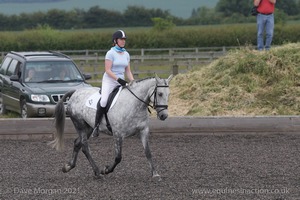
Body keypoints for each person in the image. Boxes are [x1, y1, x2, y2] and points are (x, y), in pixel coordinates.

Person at [92, 30, 134, 137]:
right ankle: (96, 126)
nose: (123, 41)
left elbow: (128, 71)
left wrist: (133, 82)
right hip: (109, 81)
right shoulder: (110, 53)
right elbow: (107, 70)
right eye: (121, 39)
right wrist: (118, 79)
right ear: (115, 40)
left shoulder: (126, 54)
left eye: (124, 39)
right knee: (104, 101)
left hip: (121, 82)